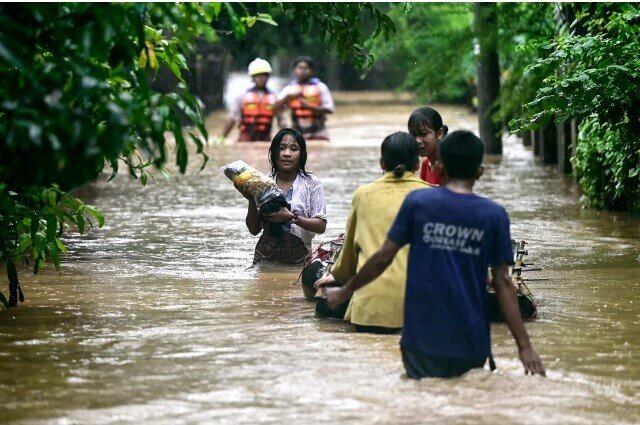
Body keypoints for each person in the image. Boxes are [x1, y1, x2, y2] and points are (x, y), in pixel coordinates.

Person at [317, 130, 546, 379]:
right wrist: (525, 347)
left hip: (421, 340)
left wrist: (345, 291)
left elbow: (384, 257)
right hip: (470, 340)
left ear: (437, 166)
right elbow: (502, 282)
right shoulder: (494, 215)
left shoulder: (419, 203)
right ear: (480, 171)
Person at [314, 132, 432, 333]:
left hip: (371, 308)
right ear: (417, 164)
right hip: (422, 309)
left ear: (382, 164)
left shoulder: (363, 195)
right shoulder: (434, 195)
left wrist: (337, 276)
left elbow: (350, 252)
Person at [237, 128, 327, 264]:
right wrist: (251, 199)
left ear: (301, 155)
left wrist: (292, 217)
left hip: (301, 257)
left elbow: (321, 226)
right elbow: (254, 230)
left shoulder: (312, 183)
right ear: (274, 153)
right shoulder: (262, 182)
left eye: (294, 149)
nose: (287, 154)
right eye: (282, 148)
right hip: (265, 256)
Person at [217, 58, 284, 143]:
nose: (261, 78)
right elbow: (232, 119)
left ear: (268, 77)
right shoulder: (242, 96)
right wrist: (222, 137)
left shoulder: (274, 98)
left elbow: (281, 120)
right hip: (245, 140)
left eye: (264, 75)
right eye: (258, 75)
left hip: (265, 141)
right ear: (252, 77)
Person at [275, 56, 334, 141]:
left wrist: (309, 106)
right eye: (300, 68)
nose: (303, 71)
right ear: (295, 70)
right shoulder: (289, 89)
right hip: (297, 132)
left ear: (311, 71)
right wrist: (288, 98)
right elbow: (275, 108)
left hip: (318, 131)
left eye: (306, 68)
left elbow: (330, 109)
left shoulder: (320, 87)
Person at [407, 107, 448, 185]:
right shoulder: (426, 163)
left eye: (424, 134)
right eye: (413, 135)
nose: (417, 141)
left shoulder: (448, 168)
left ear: (440, 133)